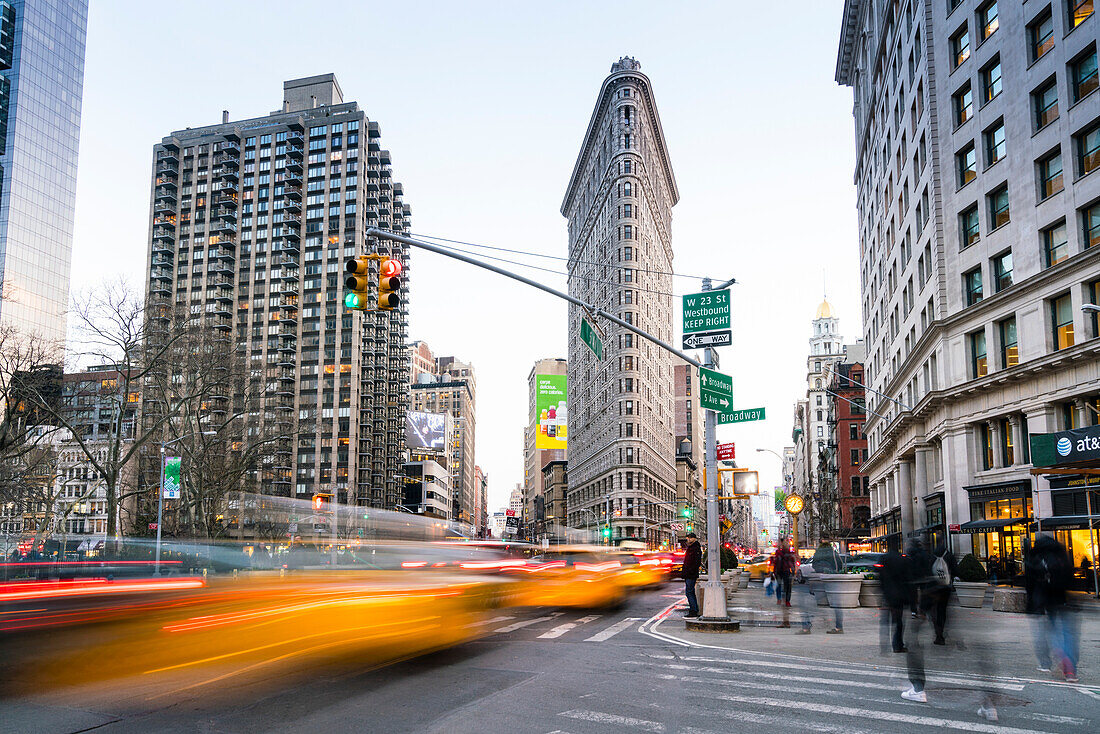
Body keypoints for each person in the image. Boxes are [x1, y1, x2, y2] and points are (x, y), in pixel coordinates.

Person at [1025, 532, 1078, 682]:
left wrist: (1031, 603)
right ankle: (1070, 666)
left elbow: (1029, 583)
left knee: (1049, 632)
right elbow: (1070, 576)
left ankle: (1048, 663)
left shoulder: (1035, 556)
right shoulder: (1060, 553)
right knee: (1067, 633)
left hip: (1044, 600)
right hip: (1062, 598)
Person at [809, 541, 845, 634]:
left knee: (817, 602)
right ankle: (839, 627)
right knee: (836, 603)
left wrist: (821, 570)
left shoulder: (818, 553)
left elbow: (814, 565)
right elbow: (840, 564)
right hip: (833, 578)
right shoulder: (834, 553)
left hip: (821, 578)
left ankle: (807, 626)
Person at [880, 537, 908, 654]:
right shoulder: (902, 560)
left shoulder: (884, 559)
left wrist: (882, 593)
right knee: (899, 622)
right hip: (899, 595)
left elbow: (880, 578)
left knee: (885, 622)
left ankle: (885, 646)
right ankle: (897, 644)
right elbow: (907, 579)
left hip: (888, 595)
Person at [928, 542, 957, 645]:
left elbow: (928, 572)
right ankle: (941, 630)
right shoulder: (949, 556)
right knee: (942, 610)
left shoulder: (932, 557)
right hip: (946, 588)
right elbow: (955, 570)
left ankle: (938, 633)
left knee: (934, 610)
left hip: (935, 589)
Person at [770, 539, 797, 610]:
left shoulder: (780, 553)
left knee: (781, 585)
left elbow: (776, 562)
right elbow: (792, 563)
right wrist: (793, 571)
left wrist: (774, 571)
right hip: (784, 571)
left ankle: (781, 599)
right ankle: (786, 600)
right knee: (787, 586)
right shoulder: (787, 553)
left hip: (780, 571)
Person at [681, 532, 702, 619]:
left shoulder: (695, 548)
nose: (688, 539)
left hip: (691, 574)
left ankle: (693, 610)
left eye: (690, 538)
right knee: (690, 592)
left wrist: (690, 571)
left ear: (694, 538)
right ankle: (693, 609)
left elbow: (695, 563)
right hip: (689, 574)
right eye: (687, 538)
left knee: (689, 592)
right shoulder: (691, 548)